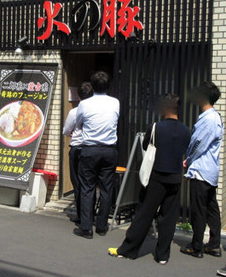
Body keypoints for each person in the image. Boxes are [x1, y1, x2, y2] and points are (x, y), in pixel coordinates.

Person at [108, 94, 191, 264]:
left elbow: (146, 146)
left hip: (156, 177)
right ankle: (162, 256)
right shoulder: (186, 130)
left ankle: (127, 250)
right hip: (175, 178)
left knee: (144, 214)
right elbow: (186, 150)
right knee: (168, 218)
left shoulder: (155, 127)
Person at [73, 71, 120, 239]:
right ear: (109, 86)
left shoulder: (85, 104)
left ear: (92, 86)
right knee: (107, 189)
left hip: (90, 150)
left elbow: (78, 124)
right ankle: (101, 226)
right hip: (109, 150)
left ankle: (86, 228)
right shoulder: (115, 102)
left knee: (87, 188)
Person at [180, 81, 224, 258]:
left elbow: (198, 143)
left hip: (201, 170)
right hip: (210, 170)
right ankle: (213, 245)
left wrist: (188, 159)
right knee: (212, 208)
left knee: (199, 210)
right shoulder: (214, 117)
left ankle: (196, 246)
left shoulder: (208, 119)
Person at [63, 82, 93, 223]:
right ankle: (90, 214)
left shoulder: (74, 112)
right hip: (92, 149)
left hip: (77, 149)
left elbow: (66, 131)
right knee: (90, 183)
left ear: (79, 96)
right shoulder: (97, 111)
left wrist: (72, 132)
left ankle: (82, 216)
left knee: (78, 183)